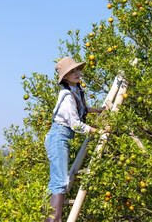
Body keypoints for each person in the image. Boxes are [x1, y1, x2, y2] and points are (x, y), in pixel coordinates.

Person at [44, 56, 105, 222]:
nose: (77, 73)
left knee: (58, 180)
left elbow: (83, 109)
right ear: (65, 77)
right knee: (60, 182)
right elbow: (75, 124)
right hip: (58, 136)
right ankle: (54, 220)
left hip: (63, 137)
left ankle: (51, 217)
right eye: (72, 71)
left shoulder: (76, 90)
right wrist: (95, 131)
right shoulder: (67, 96)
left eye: (77, 69)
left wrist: (99, 110)